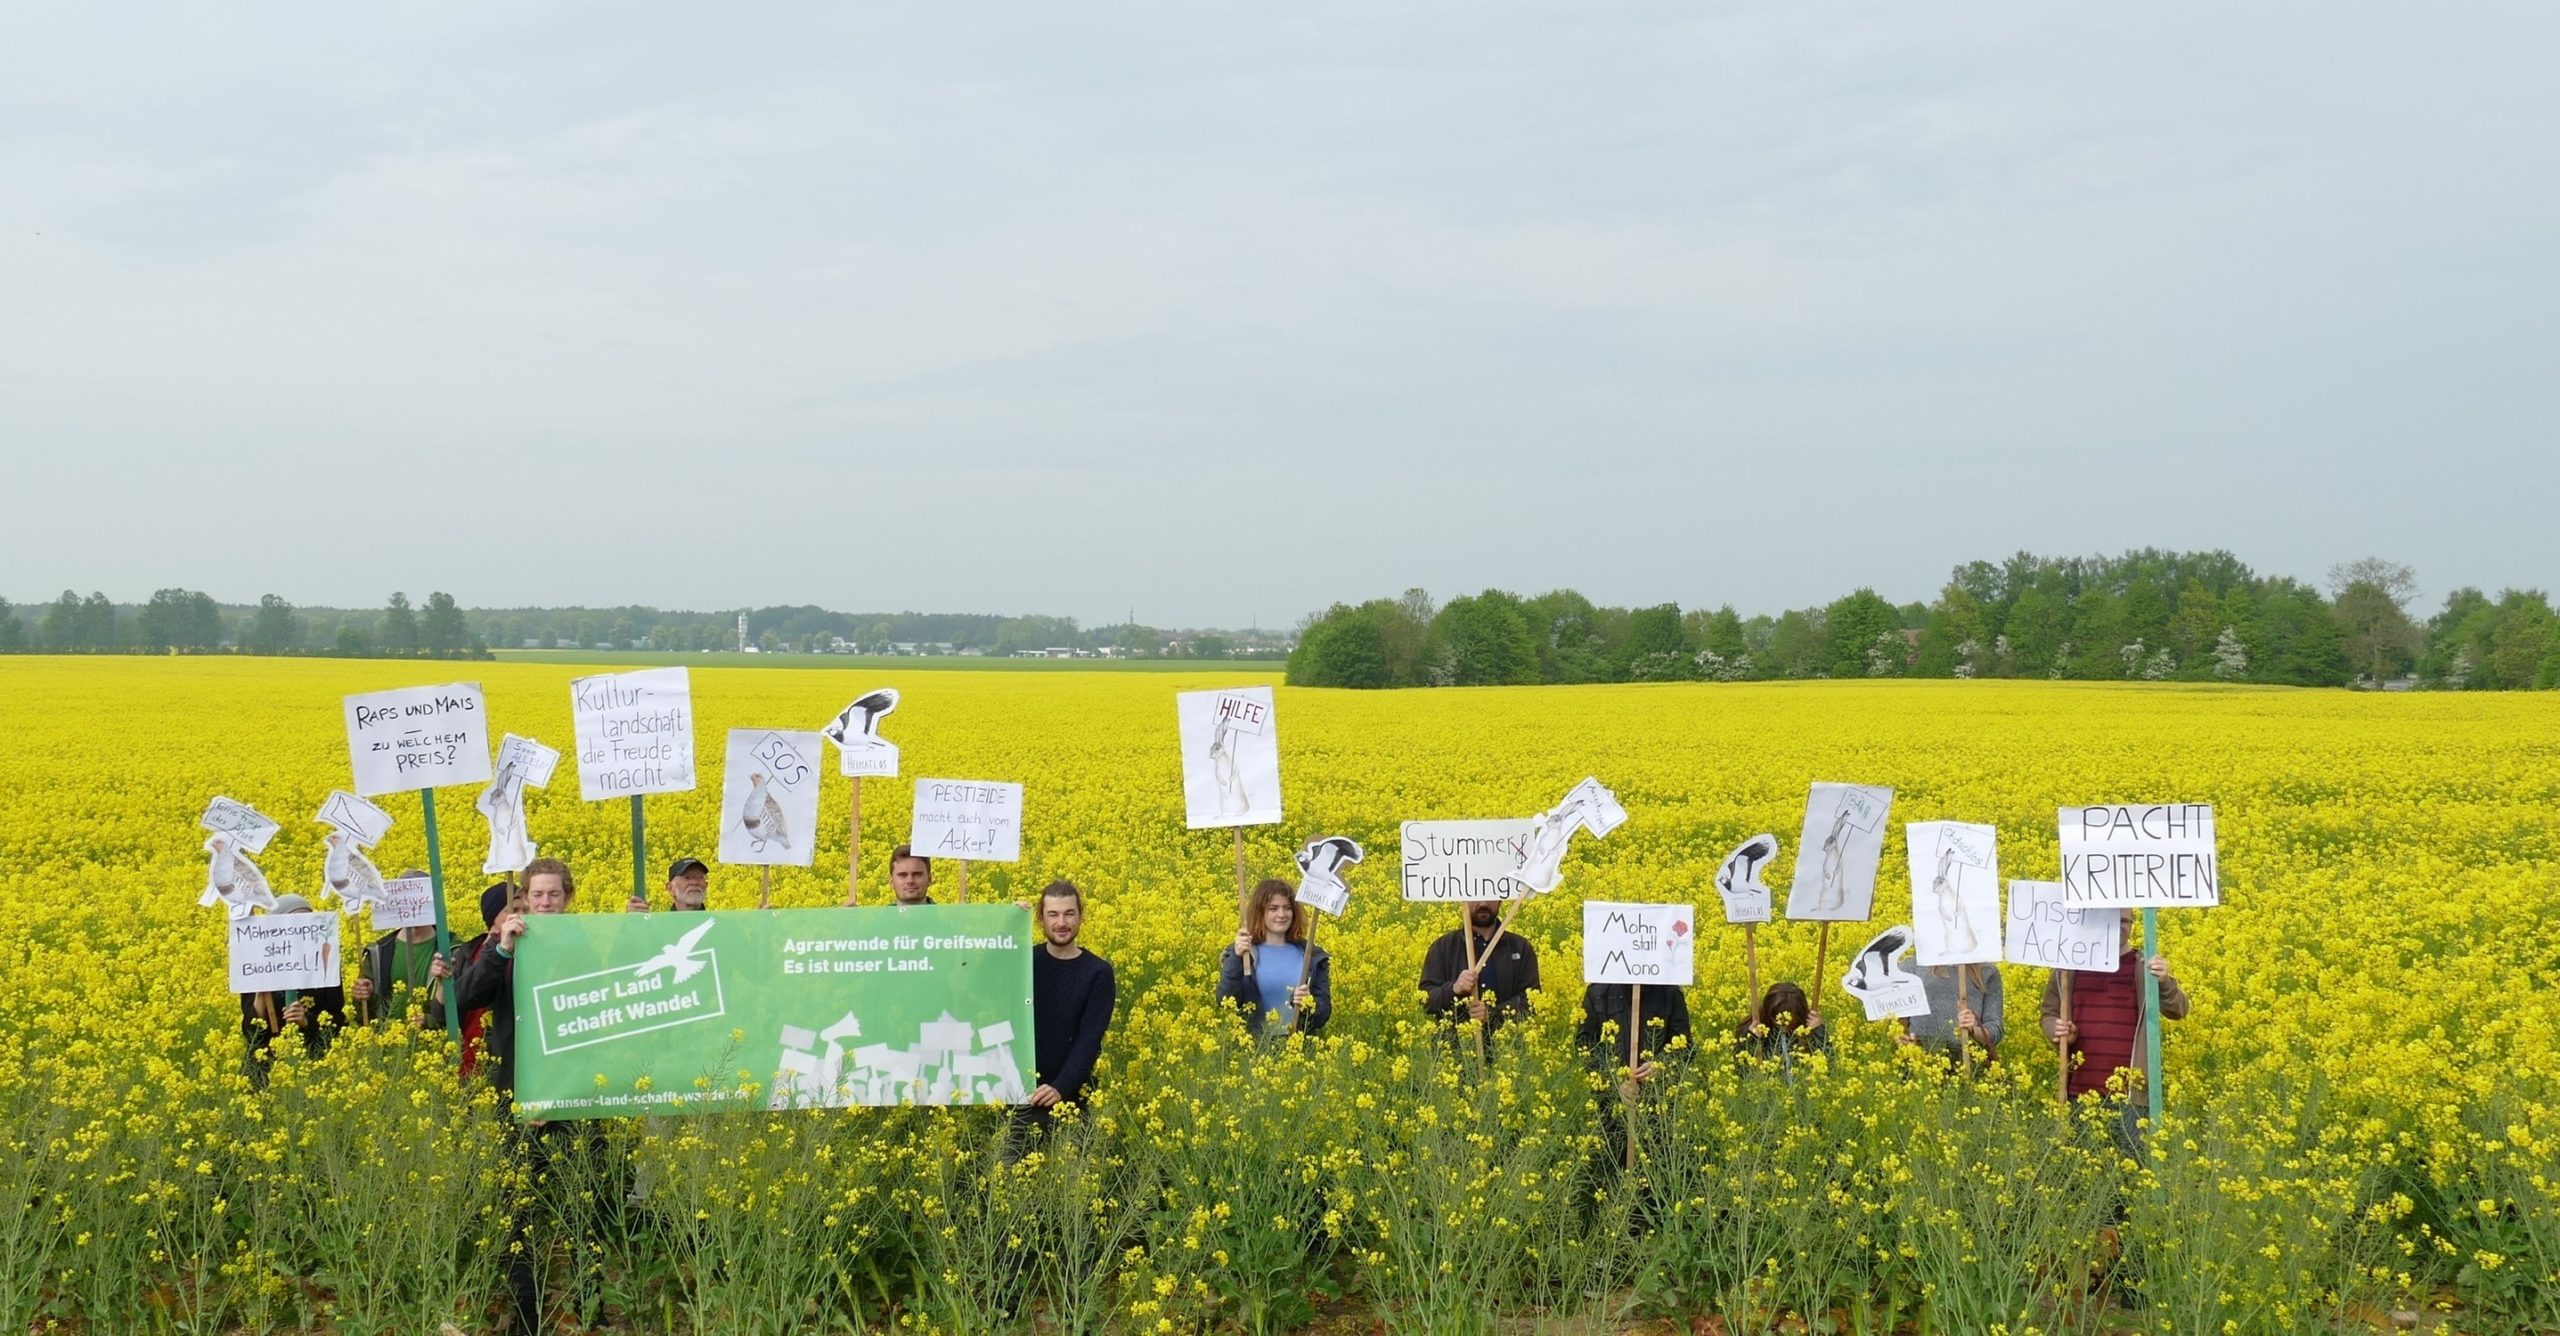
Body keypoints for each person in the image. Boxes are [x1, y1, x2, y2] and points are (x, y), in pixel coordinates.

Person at [2041, 911, 2190, 1158]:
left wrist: (2164, 981)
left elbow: (2179, 1009)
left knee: (2131, 1174)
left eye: (2124, 921)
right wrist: (2056, 1029)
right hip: (2081, 1091)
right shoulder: (2069, 966)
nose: (2119, 926)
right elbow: (2049, 1013)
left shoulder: (2144, 967)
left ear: (2132, 925)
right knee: (2086, 1177)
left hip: (2132, 1094)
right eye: (2111, 920)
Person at [1022, 880, 1116, 1135]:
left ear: (1080, 917)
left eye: (1069, 914)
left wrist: (1060, 1087)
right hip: (1021, 1095)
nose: (1061, 922)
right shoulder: (1024, 962)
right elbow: (978, 985)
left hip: (1073, 1098)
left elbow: (1089, 1039)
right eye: (1053, 914)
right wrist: (1010, 924)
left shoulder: (1098, 973)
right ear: (1041, 918)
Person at [239, 893, 348, 1086]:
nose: (301, 930)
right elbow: (251, 1032)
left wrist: (307, 1021)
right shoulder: (258, 964)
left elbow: (338, 1022)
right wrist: (260, 993)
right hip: (266, 1070)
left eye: (307, 923)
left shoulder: (325, 965)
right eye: (295, 924)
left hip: (315, 1069)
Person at [1216, 879, 1331, 1038]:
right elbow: (1227, 1001)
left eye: (1287, 908)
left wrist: (1310, 1004)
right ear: (1260, 912)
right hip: (1254, 1050)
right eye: (1273, 909)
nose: (1281, 915)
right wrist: (1236, 958)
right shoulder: (1244, 953)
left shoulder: (1311, 956)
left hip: (1299, 1051)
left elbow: (1323, 1015)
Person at [1417, 899, 1540, 1040]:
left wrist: (1493, 1014)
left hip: (1509, 1053)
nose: (1483, 903)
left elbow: (1532, 1000)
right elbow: (1425, 1000)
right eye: (1475, 897)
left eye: (1490, 896)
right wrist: (1454, 989)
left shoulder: (1520, 948)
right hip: (1456, 1053)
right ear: (1464, 900)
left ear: (1500, 900)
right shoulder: (1444, 947)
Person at [351, 868, 443, 1028]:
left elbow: (461, 1006)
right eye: (406, 901)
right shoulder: (377, 953)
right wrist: (365, 996)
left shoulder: (451, 949)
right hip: (389, 1047)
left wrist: (428, 1022)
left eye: (420, 900)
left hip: (433, 1047)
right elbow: (364, 1015)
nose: (414, 906)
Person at [1900, 964, 2003, 1066]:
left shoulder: (1987, 971)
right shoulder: (1911, 967)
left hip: (1967, 1062)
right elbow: (1899, 1020)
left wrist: (1972, 1029)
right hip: (1918, 1063)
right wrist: (1902, 1037)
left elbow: (1995, 1031)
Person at [1733, 981, 1830, 1066]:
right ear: (1769, 1012)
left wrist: (1818, 1032)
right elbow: (1740, 1070)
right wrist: (1751, 1039)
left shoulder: (1809, 1029)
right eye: (1779, 1021)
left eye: (1790, 1023)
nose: (1784, 1026)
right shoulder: (1754, 1028)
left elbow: (1829, 1064)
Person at [628, 857, 710, 913]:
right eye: (687, 878)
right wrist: (632, 924)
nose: (695, 882)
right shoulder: (658, 928)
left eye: (700, 877)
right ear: (670, 888)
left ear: (706, 885)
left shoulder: (720, 926)